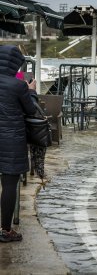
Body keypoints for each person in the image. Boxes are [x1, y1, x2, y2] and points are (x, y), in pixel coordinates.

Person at [0, 45, 37, 243]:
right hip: (11, 141)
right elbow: (31, 110)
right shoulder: (18, 86)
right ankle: (5, 230)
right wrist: (31, 91)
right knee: (8, 185)